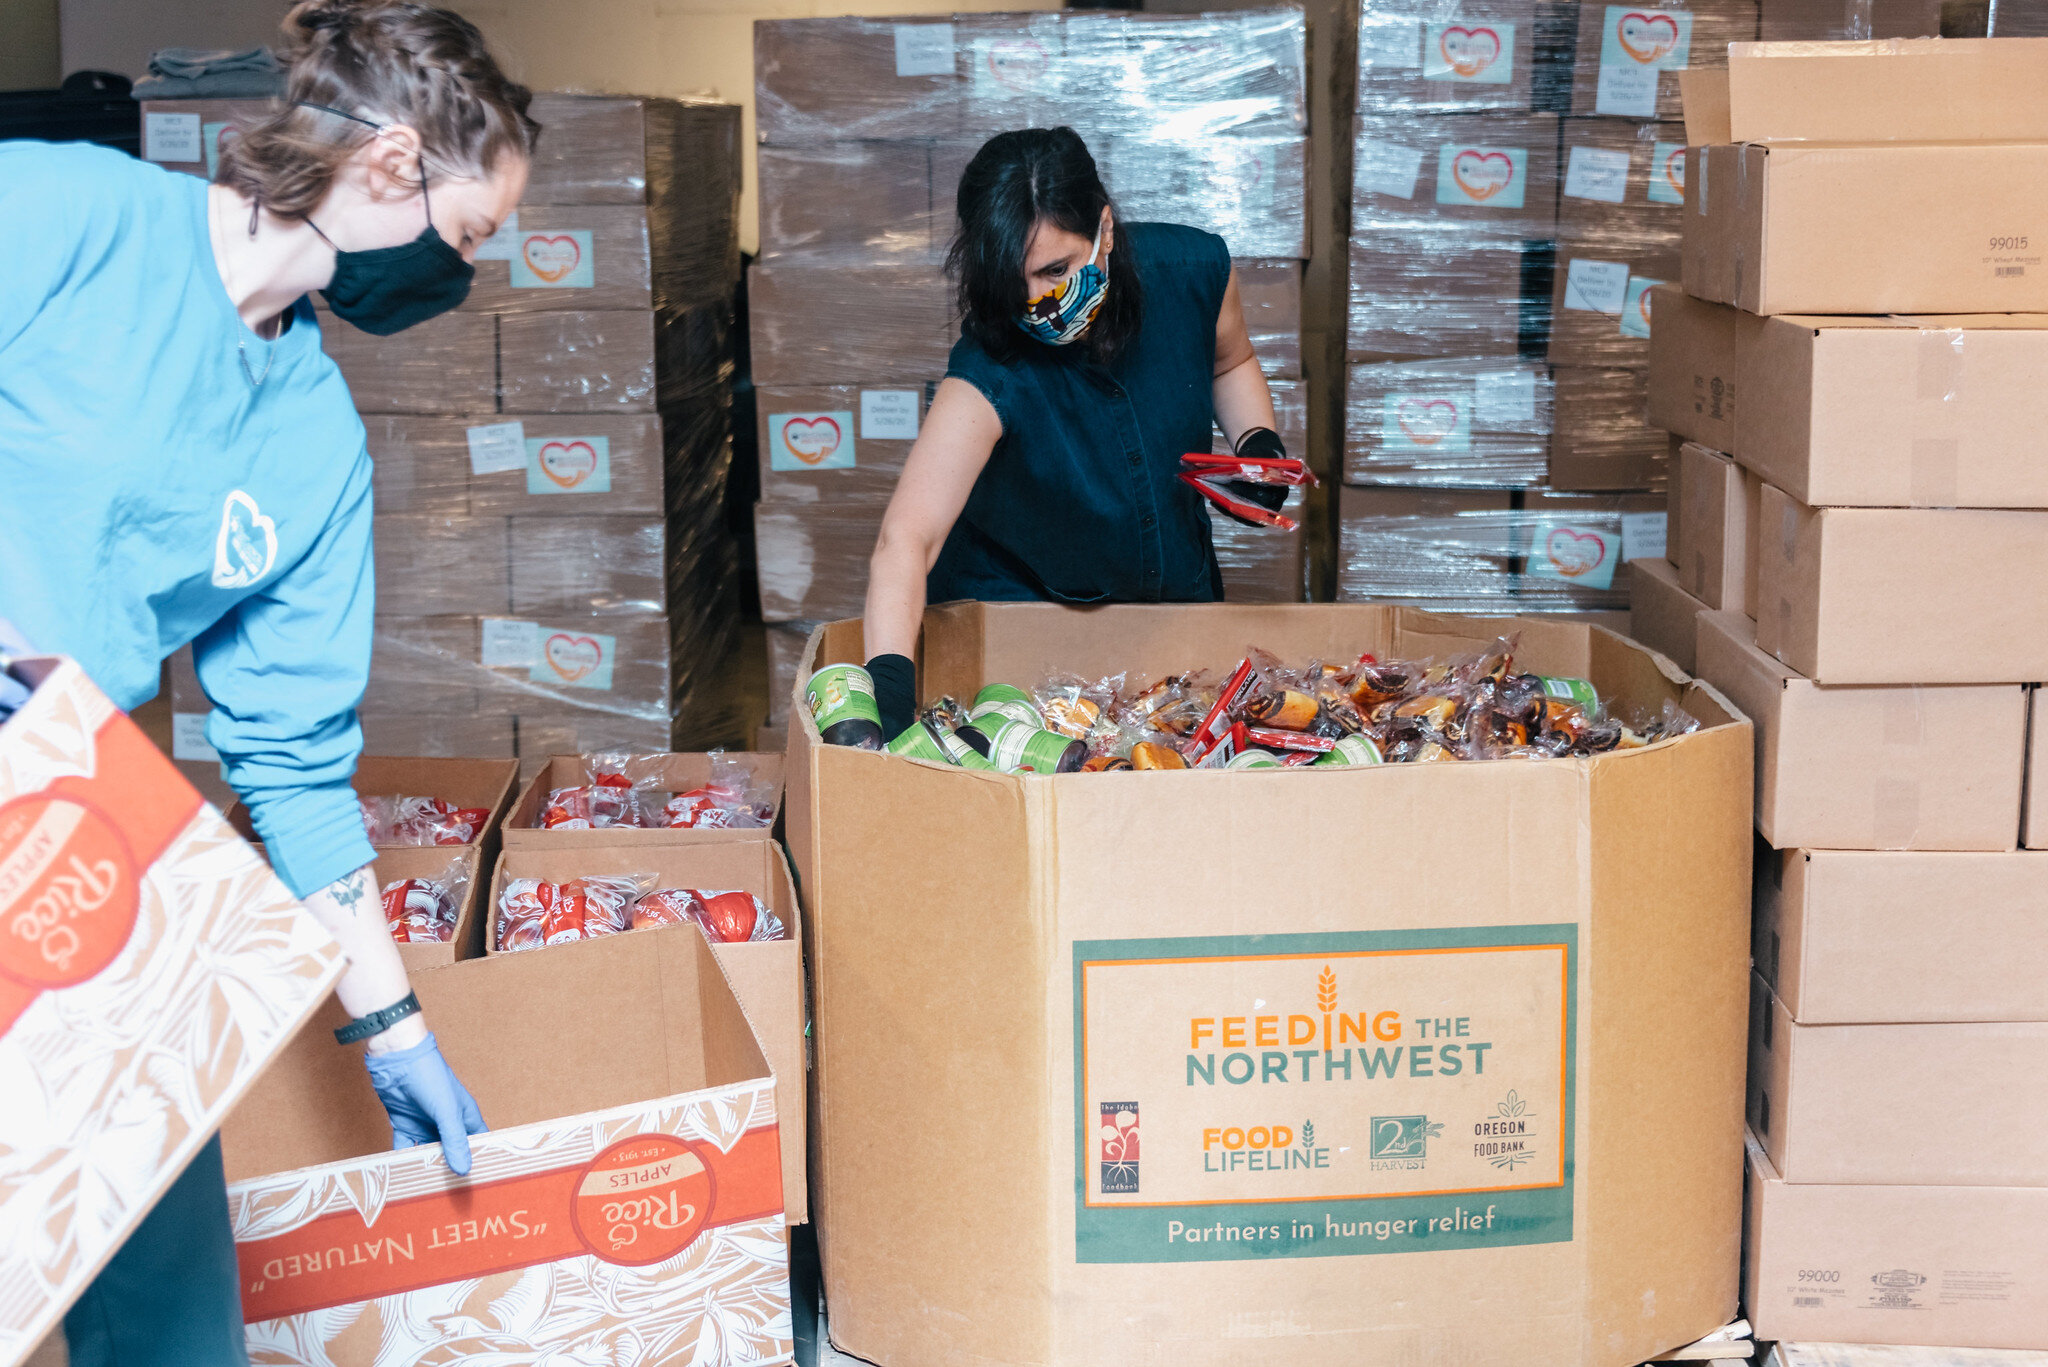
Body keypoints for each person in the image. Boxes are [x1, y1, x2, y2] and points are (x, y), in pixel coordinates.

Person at [0, 3, 536, 1363]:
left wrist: (393, 1021)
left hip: (69, 825)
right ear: (387, 164)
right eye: (468, 233)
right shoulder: (77, 216)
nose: (460, 271)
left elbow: (293, 764)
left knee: (170, 1279)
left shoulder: (314, 446)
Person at [860, 126, 1291, 736]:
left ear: (1105, 230)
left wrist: (1257, 444)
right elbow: (906, 540)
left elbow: (1231, 361)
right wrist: (890, 701)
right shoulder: (990, 367)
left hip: (1170, 594)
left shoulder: (1192, 272)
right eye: (1017, 285)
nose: (1038, 301)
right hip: (1024, 615)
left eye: (1055, 270)